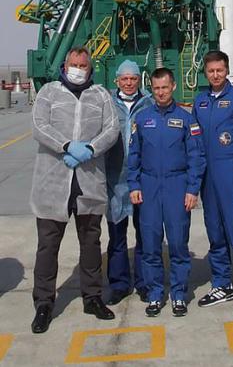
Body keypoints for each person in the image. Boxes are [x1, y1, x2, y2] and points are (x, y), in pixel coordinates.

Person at [30, 46, 120, 334]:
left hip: (88, 181)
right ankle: (44, 303)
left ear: (90, 68)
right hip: (54, 182)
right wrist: (66, 145)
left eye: (83, 65)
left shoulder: (101, 95)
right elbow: (39, 125)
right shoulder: (49, 93)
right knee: (48, 246)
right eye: (74, 64)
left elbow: (112, 129)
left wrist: (90, 149)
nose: (78, 70)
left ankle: (92, 297)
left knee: (91, 243)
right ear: (65, 65)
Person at [128, 67, 206, 317]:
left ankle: (179, 294)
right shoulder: (142, 119)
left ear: (173, 86)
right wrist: (134, 185)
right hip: (149, 187)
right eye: (156, 88)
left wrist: (192, 189)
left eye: (165, 87)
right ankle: (154, 294)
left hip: (177, 186)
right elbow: (134, 156)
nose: (161, 92)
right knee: (150, 245)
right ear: (151, 89)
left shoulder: (186, 119)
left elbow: (196, 156)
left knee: (178, 244)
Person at [192, 51, 233, 316]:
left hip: (232, 177)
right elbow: (194, 143)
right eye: (211, 71)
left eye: (219, 70)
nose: (215, 75)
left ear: (227, 71)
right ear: (205, 73)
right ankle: (221, 284)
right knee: (215, 233)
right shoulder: (200, 102)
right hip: (209, 180)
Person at [105, 60, 153, 305]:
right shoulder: (108, 104)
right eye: (124, 79)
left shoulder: (149, 103)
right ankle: (119, 284)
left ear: (139, 79)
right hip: (114, 180)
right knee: (117, 235)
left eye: (133, 78)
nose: (128, 83)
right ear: (117, 80)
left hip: (142, 180)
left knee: (144, 234)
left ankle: (144, 282)